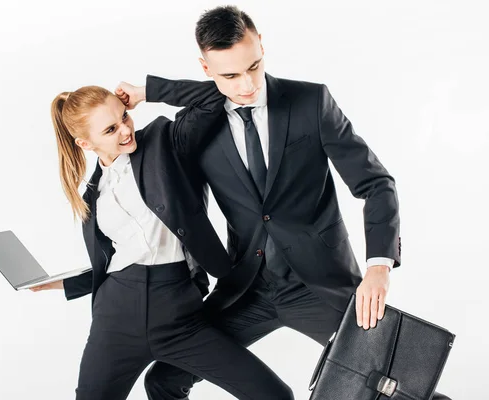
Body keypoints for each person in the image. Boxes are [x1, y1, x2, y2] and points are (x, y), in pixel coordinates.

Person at [143, 6, 451, 400]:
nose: (247, 85)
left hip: (320, 285)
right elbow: (171, 201)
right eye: (230, 76)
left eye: (253, 66)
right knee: (163, 379)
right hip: (246, 288)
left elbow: (376, 183)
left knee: (404, 388)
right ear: (205, 69)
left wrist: (379, 267)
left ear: (262, 46)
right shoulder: (196, 126)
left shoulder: (311, 102)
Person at [30, 75, 294, 400]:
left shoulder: (161, 141)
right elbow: (117, 260)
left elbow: (216, 96)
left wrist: (147, 92)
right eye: (110, 130)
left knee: (273, 395)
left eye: (123, 117)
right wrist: (63, 283)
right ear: (86, 144)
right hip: (116, 321)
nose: (125, 130)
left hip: (180, 316)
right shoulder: (93, 195)